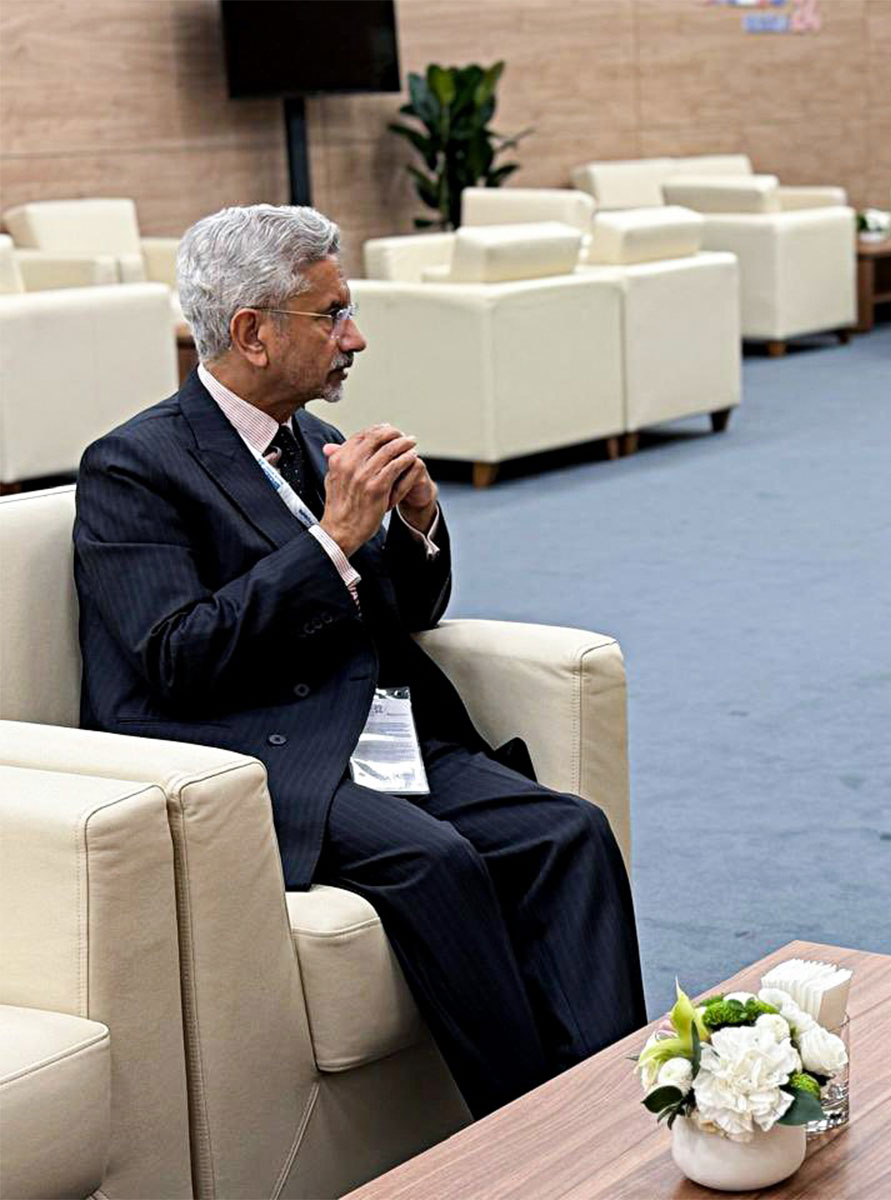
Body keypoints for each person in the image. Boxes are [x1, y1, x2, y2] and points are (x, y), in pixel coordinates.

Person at [73, 203, 646, 1118]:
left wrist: (414, 525)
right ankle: (532, 1127)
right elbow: (176, 658)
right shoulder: (134, 466)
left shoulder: (318, 440)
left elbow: (408, 614)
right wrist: (333, 541)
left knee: (567, 831)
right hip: (252, 752)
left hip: (373, 734)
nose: (356, 338)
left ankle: (614, 1113)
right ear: (253, 333)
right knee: (436, 862)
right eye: (331, 314)